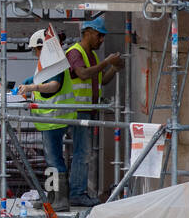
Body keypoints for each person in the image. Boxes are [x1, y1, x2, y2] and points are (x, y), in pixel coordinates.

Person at [21, 17, 122, 208]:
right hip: (70, 113)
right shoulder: (74, 53)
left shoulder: (86, 57)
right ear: (89, 32)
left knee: (71, 155)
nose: (101, 40)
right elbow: (80, 75)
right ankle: (66, 196)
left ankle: (64, 197)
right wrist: (107, 62)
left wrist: (112, 67)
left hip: (67, 114)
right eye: (99, 35)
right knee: (73, 154)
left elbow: (95, 81)